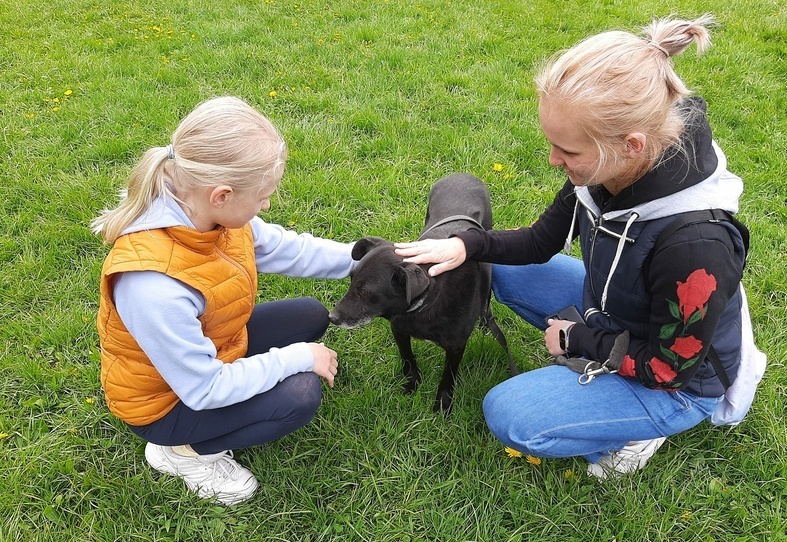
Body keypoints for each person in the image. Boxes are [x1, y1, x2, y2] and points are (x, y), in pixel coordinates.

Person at [395, 16, 757, 478]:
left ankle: (639, 430)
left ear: (631, 145)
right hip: (622, 311)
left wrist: (578, 339)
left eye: (566, 150)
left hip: (679, 381)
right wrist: (466, 245)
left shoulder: (696, 247)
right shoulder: (609, 171)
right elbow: (540, 241)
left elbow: (670, 370)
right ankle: (596, 370)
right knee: (493, 267)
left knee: (511, 415)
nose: (553, 160)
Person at [93, 96, 356, 504]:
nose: (267, 204)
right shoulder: (153, 286)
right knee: (300, 395)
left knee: (310, 314)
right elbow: (204, 389)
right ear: (222, 194)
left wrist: (371, 257)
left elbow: (291, 250)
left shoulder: (206, 214)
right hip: (165, 403)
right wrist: (299, 358)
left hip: (212, 350)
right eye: (264, 195)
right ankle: (184, 453)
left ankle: (215, 421)